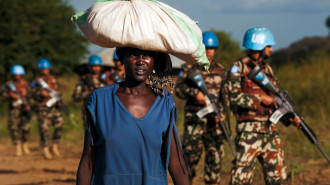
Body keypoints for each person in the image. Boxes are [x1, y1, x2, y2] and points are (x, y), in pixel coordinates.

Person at [76, 47, 190, 185]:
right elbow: (88, 161)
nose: (140, 61)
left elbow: (176, 162)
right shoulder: (100, 100)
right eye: (133, 55)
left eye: (147, 55)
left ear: (154, 60)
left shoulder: (164, 102)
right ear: (122, 58)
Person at [228, 27, 301, 185]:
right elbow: (232, 97)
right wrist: (259, 98)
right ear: (259, 46)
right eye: (268, 46)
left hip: (269, 131)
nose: (272, 49)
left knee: (277, 178)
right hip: (249, 132)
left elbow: (276, 102)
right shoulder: (239, 67)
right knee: (240, 180)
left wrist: (290, 118)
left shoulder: (267, 70)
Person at [175, 31, 227, 184]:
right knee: (189, 160)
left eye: (212, 48)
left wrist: (222, 113)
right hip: (194, 122)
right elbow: (178, 89)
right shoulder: (188, 68)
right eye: (206, 47)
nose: (208, 51)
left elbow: (224, 98)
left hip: (214, 122)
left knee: (215, 159)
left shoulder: (221, 71)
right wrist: (194, 94)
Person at [31, 58, 64, 159]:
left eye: (47, 68)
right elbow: (31, 94)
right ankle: (45, 149)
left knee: (60, 123)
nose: (46, 70)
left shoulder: (53, 79)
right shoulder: (36, 82)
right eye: (44, 69)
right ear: (40, 70)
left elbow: (57, 91)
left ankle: (55, 145)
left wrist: (59, 100)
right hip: (43, 108)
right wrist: (41, 94)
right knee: (44, 129)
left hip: (54, 107)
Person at [2, 65, 32, 156]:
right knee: (13, 128)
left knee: (26, 128)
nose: (17, 76)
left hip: (24, 109)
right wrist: (10, 96)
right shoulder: (8, 85)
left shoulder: (26, 84)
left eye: (19, 74)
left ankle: (25, 145)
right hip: (13, 110)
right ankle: (18, 147)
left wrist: (29, 105)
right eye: (15, 74)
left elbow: (31, 96)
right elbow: (3, 97)